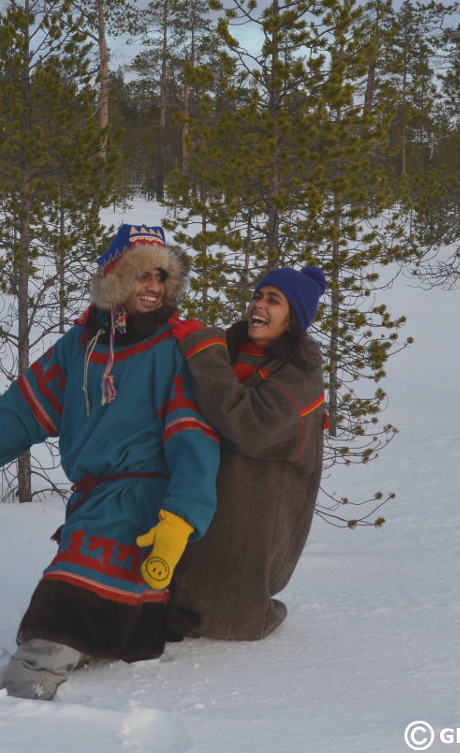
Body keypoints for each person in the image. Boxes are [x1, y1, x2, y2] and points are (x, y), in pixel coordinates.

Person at [0, 224, 220, 700]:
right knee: (110, 612)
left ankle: (17, 708)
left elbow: (194, 438)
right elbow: (23, 408)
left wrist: (180, 519)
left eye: (162, 276)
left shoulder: (174, 347)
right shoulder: (80, 343)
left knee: (63, 607)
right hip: (90, 498)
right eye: (140, 273)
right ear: (113, 277)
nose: (153, 285)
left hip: (140, 501)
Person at [167, 265, 328, 641]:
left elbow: (253, 425)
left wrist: (203, 354)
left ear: (292, 320)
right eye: (258, 295)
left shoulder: (300, 373)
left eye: (274, 300)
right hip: (197, 497)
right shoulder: (229, 349)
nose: (259, 304)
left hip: (255, 513)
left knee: (228, 618)